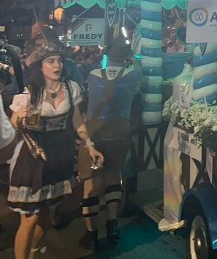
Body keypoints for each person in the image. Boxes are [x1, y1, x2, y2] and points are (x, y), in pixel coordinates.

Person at [8, 43, 104, 259]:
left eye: (59, 60)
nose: (57, 65)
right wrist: (19, 117)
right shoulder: (29, 90)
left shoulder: (71, 88)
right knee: (30, 217)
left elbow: (77, 121)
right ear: (40, 66)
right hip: (34, 155)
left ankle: (33, 253)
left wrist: (90, 145)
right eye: (51, 61)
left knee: (45, 215)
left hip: (60, 155)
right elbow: (13, 126)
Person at [78, 40, 141, 249]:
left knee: (91, 184)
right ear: (126, 57)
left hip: (95, 131)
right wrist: (133, 61)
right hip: (120, 132)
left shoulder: (93, 75)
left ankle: (91, 233)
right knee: (114, 176)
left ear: (107, 55)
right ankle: (112, 224)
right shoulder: (133, 76)